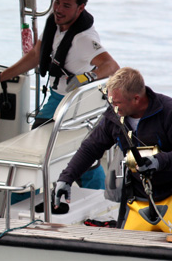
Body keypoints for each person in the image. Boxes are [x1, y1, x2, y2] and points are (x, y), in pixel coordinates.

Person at [0, 0, 119, 190]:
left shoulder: (83, 39)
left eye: (66, 5)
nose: (58, 9)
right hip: (55, 99)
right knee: (35, 143)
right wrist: (1, 76)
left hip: (76, 106)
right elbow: (37, 54)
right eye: (56, 2)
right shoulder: (55, 25)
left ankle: (97, 199)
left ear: (80, 8)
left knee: (84, 154)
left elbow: (111, 66)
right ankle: (34, 194)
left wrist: (88, 77)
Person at [54, 67, 172, 231]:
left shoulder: (167, 111)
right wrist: (66, 179)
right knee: (125, 249)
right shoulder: (114, 116)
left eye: (117, 103)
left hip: (169, 194)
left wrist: (159, 161)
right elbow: (90, 148)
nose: (113, 107)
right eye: (110, 102)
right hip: (137, 198)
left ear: (136, 99)